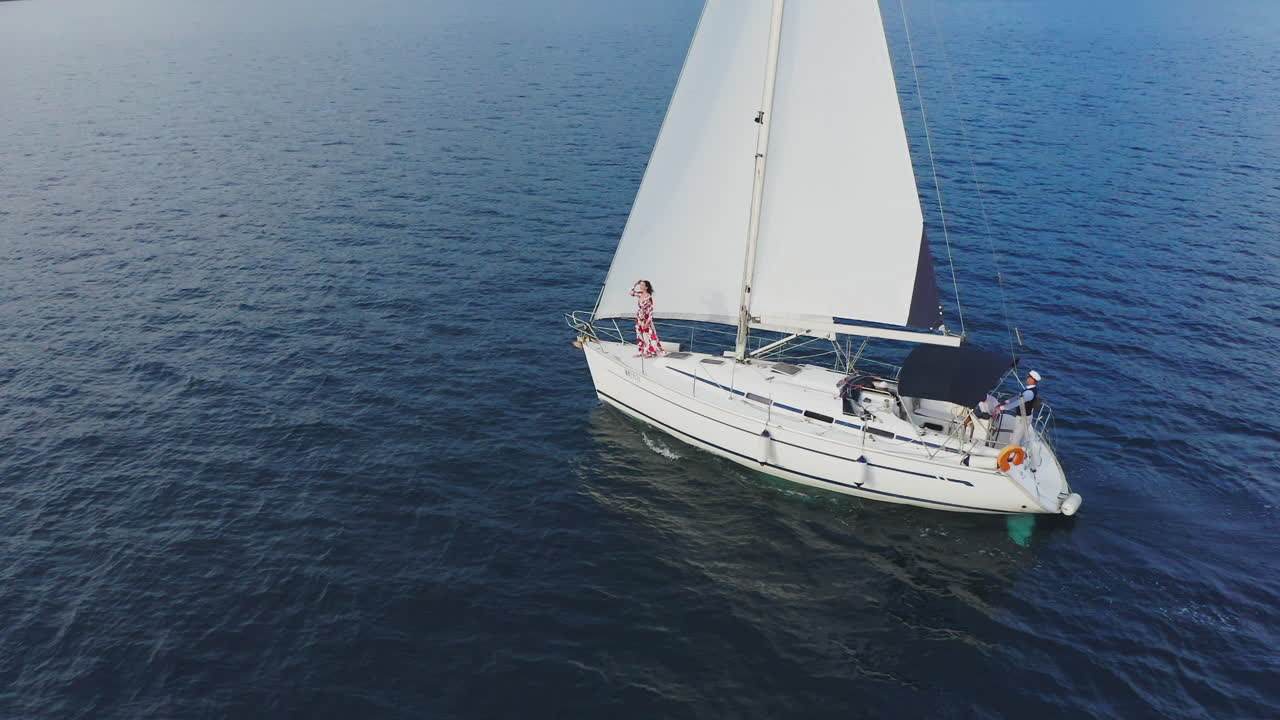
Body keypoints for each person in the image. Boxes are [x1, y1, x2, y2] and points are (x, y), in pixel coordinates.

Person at [630, 280, 665, 357]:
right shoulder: (640, 294)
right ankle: (641, 351)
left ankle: (651, 352)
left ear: (646, 287)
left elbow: (651, 311)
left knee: (649, 336)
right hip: (639, 318)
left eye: (642, 285)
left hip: (646, 319)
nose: (640, 286)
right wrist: (635, 283)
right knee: (639, 335)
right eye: (640, 285)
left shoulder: (649, 297)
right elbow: (631, 293)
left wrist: (648, 321)